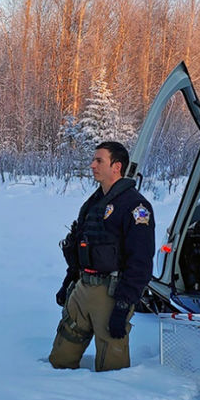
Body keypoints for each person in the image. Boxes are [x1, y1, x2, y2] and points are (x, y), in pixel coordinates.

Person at [49, 141, 155, 372]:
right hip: (82, 288)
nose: (92, 165)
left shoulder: (136, 206)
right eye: (93, 160)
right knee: (59, 362)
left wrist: (124, 304)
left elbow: (141, 261)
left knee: (111, 371)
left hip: (111, 293)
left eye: (99, 160)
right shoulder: (94, 203)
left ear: (116, 166)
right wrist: (68, 282)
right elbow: (80, 247)